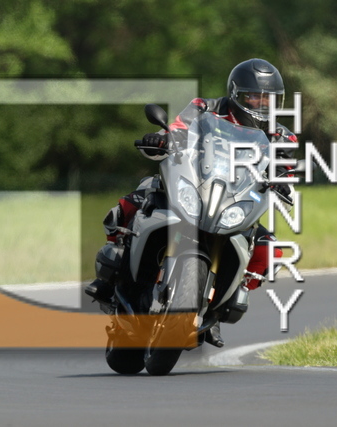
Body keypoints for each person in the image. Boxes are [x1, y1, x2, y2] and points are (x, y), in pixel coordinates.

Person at [85, 58, 298, 347]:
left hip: (235, 201)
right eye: (254, 96)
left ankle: (220, 305)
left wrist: (284, 181)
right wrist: (162, 138)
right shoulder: (204, 108)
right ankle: (111, 270)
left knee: (269, 251)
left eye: (268, 98)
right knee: (135, 200)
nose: (262, 103)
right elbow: (177, 128)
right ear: (236, 93)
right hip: (191, 183)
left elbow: (287, 170)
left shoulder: (283, 136)